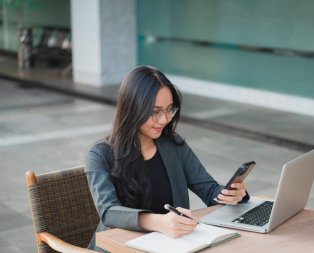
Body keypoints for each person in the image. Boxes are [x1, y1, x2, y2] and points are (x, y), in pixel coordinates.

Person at [85, 65, 249, 251]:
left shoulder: (174, 145)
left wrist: (230, 195)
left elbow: (209, 191)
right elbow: (108, 212)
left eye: (169, 109)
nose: (164, 119)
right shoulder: (100, 154)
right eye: (155, 111)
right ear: (132, 109)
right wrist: (159, 222)